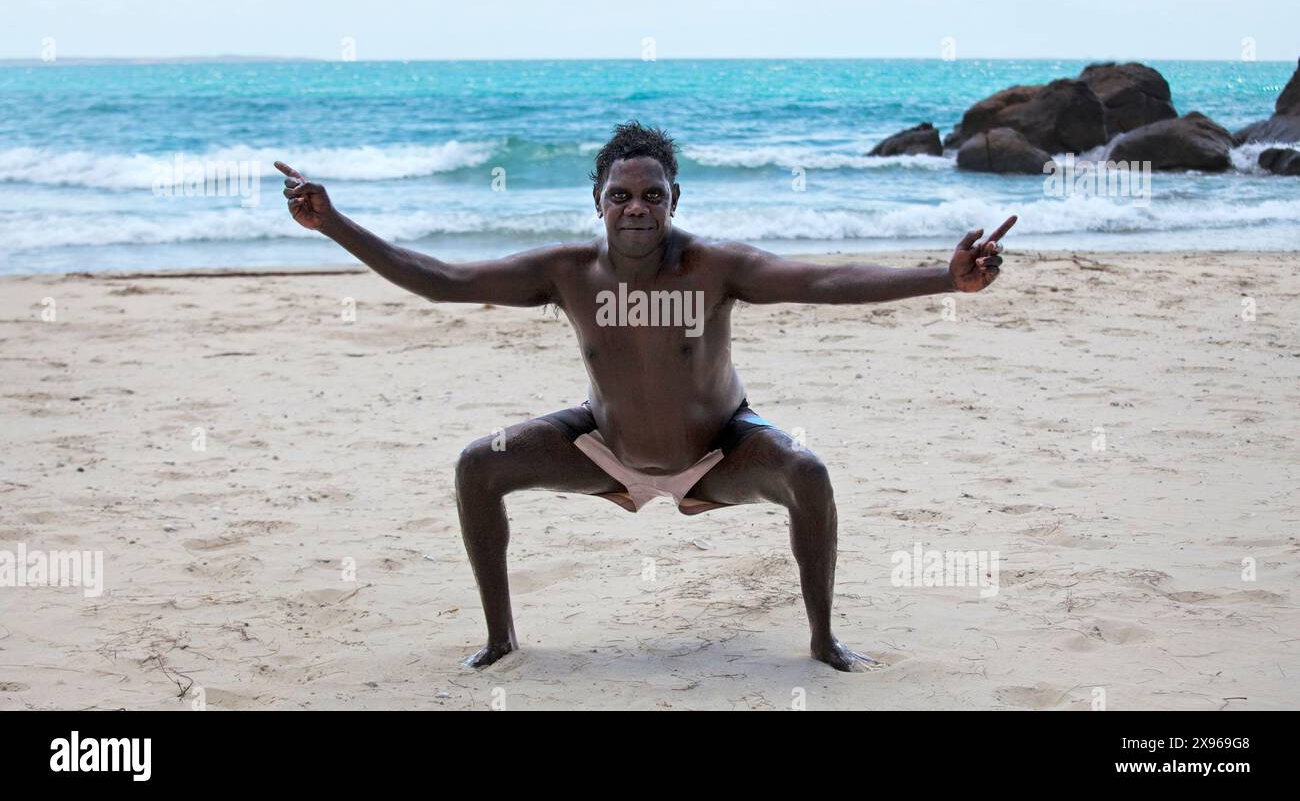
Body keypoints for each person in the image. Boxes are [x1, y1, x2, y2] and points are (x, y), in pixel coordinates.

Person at [276, 121, 1014, 671]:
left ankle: (822, 640)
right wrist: (332, 222)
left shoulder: (716, 265)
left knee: (808, 473)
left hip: (720, 452)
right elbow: (442, 279)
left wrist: (944, 279)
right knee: (480, 464)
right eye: (621, 195)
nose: (637, 208)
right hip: (606, 448)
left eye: (652, 195)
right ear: (597, 202)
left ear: (674, 200)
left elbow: (824, 282)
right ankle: (500, 638)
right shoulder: (564, 270)